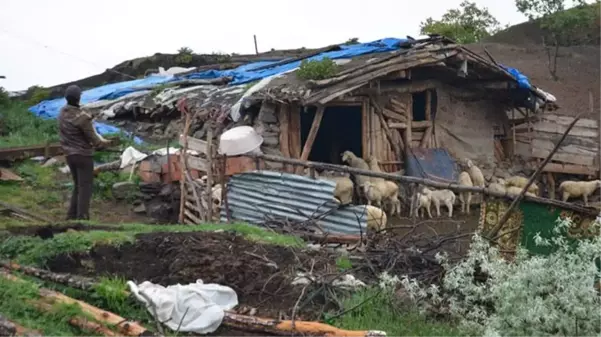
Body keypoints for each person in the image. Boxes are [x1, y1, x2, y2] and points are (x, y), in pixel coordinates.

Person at [58, 85, 112, 220]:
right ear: (79, 98)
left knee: (77, 185)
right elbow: (95, 140)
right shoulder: (82, 118)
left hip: (69, 155)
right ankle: (83, 217)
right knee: (85, 187)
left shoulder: (61, 114)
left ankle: (71, 215)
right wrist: (106, 144)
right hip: (83, 156)